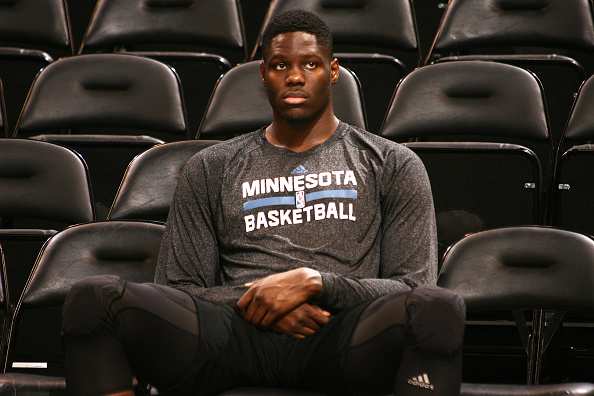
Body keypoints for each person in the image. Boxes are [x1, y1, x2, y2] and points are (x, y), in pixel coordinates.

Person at [62, 9, 466, 396]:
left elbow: (411, 285)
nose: (294, 76)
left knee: (437, 307)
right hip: (233, 335)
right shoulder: (212, 167)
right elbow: (180, 289)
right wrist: (264, 298)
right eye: (279, 66)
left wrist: (317, 284)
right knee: (93, 300)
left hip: (340, 333)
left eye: (310, 64)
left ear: (334, 71)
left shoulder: (392, 163)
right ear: (263, 74)